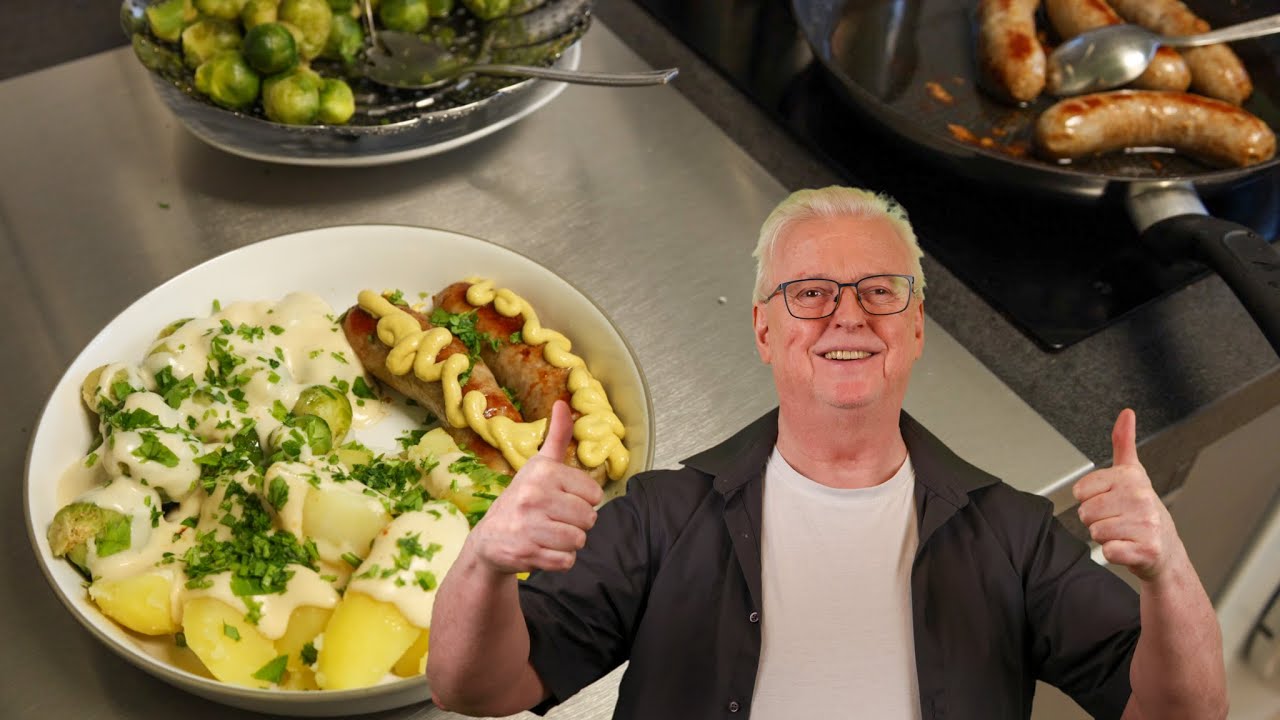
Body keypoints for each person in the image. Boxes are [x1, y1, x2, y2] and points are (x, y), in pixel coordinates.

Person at [426, 186, 1227, 719]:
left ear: (914, 329)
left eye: (880, 291)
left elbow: (1181, 714)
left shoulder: (1012, 536)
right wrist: (487, 562)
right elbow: (476, 687)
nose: (848, 316)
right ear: (765, 331)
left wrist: (1169, 573)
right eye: (809, 293)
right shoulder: (663, 518)